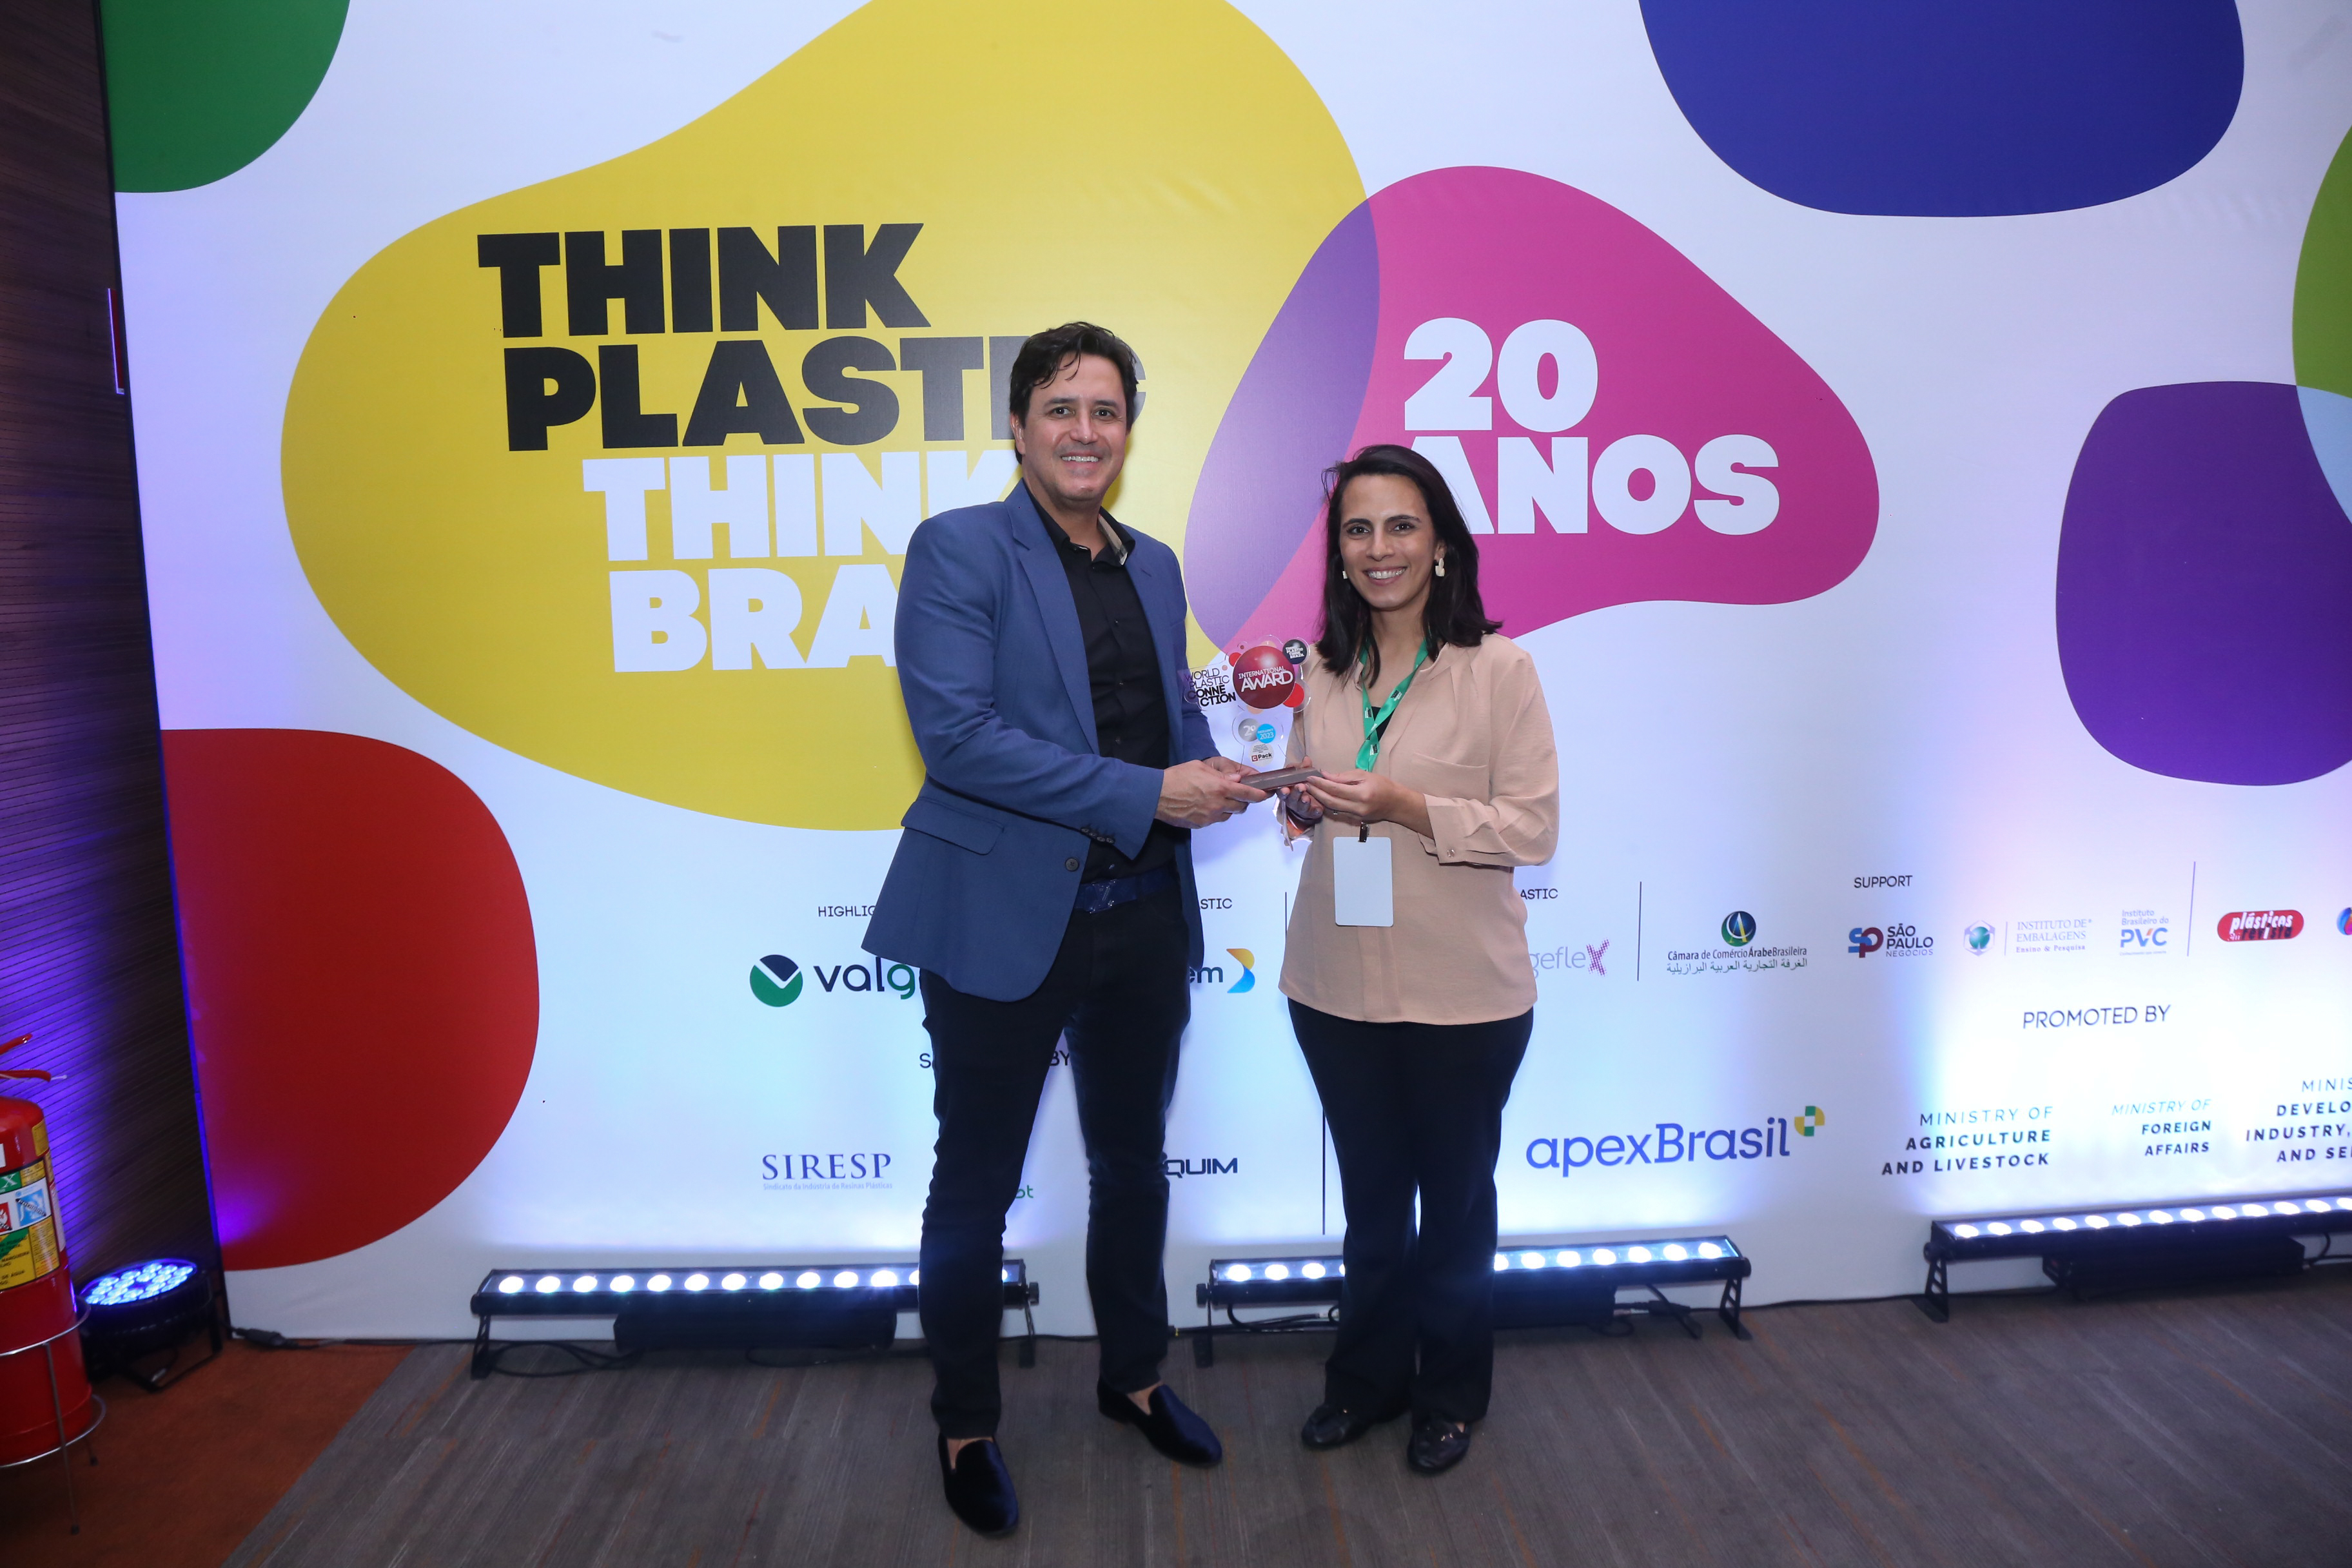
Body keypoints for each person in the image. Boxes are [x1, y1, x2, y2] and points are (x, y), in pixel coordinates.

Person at [864, 322, 1266, 1536]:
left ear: (1128, 430)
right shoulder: (959, 547)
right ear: (1019, 425)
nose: (1085, 432)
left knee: (1133, 1166)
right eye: (1061, 408)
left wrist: (1234, 774)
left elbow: (1166, 725)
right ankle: (965, 1423)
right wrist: (1149, 793)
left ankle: (1133, 1378)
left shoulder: (1154, 565)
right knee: (975, 1185)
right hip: (1003, 924)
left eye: (1106, 410)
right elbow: (960, 743)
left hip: (1142, 918)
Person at [1271, 442, 1559, 1476]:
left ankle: (1449, 1396)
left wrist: (1404, 805)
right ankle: (1366, 1382)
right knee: (1370, 1208)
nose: (1378, 547)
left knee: (1456, 1211)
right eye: (1358, 529)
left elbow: (1532, 829)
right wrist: (1299, 805)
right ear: (1339, 552)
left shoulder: (1500, 669)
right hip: (1333, 984)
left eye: (1401, 525)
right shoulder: (1324, 671)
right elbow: (1306, 797)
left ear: (1440, 544)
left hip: (1463, 995)